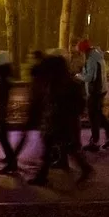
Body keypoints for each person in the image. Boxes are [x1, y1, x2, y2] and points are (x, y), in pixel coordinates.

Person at [29, 54, 93, 185]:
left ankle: (85, 169)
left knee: (64, 147)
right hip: (60, 121)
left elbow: (67, 103)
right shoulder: (63, 82)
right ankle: (43, 175)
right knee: (59, 147)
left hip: (61, 122)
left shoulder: (63, 84)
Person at [79, 40, 109, 150]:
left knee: (93, 116)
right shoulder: (98, 56)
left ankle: (94, 141)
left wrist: (78, 76)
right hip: (101, 90)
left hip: (94, 92)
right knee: (99, 114)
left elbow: (89, 77)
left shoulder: (91, 60)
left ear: (84, 51)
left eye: (81, 52)